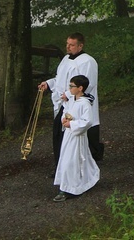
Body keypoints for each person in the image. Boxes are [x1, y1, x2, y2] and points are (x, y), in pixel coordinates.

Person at [39, 32, 102, 166]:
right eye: (67, 44)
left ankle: (86, 162)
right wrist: (49, 84)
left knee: (80, 132)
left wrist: (69, 94)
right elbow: (60, 79)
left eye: (72, 45)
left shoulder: (87, 61)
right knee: (60, 131)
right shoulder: (66, 59)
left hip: (78, 103)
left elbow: (87, 84)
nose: (68, 47)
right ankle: (61, 165)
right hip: (65, 102)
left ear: (80, 46)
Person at [53, 74, 100, 202]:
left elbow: (87, 121)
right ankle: (67, 186)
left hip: (77, 136)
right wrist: (65, 119)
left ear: (80, 88)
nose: (70, 88)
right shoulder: (73, 100)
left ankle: (72, 189)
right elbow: (67, 110)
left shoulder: (85, 104)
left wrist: (72, 124)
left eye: (72, 86)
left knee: (72, 161)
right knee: (65, 160)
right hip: (69, 135)